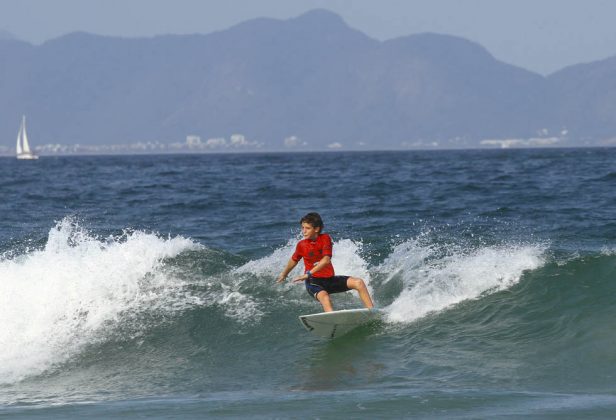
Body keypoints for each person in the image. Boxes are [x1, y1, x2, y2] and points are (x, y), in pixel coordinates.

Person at [276, 212, 374, 312]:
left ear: (317, 229)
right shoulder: (302, 245)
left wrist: (308, 273)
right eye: (302, 228)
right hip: (313, 282)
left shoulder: (325, 238)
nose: (303, 231)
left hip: (329, 280)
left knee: (359, 283)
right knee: (325, 297)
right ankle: (333, 322)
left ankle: (372, 311)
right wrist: (284, 274)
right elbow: (294, 260)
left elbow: (326, 260)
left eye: (307, 228)